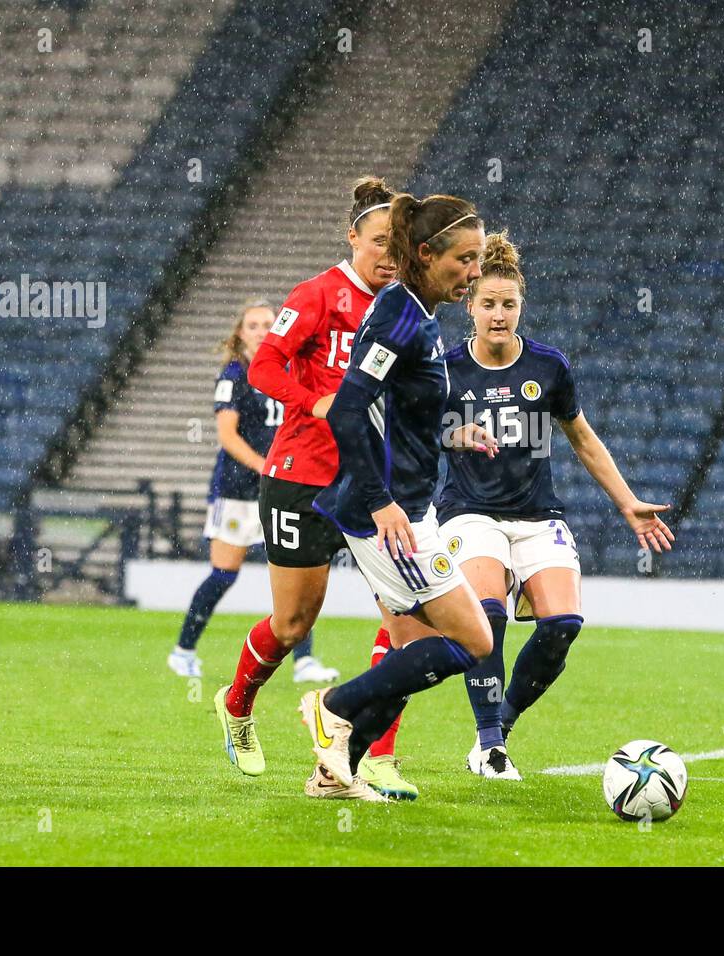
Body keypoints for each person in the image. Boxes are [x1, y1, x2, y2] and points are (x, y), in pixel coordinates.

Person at [437, 232, 675, 779]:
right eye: (489, 304)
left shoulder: (549, 367)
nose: (499, 315)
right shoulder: (446, 370)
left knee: (563, 624)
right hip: (469, 512)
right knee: (489, 614)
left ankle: (503, 723)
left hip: (537, 515)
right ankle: (491, 745)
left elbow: (583, 439)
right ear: (469, 305)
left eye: (509, 305)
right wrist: (452, 436)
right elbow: (416, 435)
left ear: (522, 306)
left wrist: (628, 503)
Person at [212, 177, 415, 802]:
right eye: (379, 243)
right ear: (352, 238)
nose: (389, 257)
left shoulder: (403, 307)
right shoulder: (319, 294)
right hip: (301, 478)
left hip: (372, 485)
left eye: (399, 247)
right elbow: (265, 364)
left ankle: (371, 759)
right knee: (295, 624)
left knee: (406, 622)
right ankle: (238, 702)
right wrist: (316, 401)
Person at [299, 192, 500, 792]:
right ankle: (330, 706)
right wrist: (382, 500)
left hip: (404, 506)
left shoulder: (418, 313)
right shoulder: (400, 317)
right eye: (463, 260)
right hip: (392, 516)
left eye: (478, 259)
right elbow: (348, 413)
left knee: (413, 654)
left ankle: (337, 773)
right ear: (424, 252)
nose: (472, 274)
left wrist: (450, 433)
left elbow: (398, 413)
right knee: (473, 639)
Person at [167, 299, 335, 682]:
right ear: (240, 333)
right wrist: (265, 467)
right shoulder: (235, 373)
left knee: (299, 569)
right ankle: (184, 649)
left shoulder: (288, 369)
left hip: (282, 490)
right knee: (224, 574)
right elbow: (226, 435)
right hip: (238, 491)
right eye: (254, 325)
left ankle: (304, 661)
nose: (262, 331)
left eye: (268, 324)